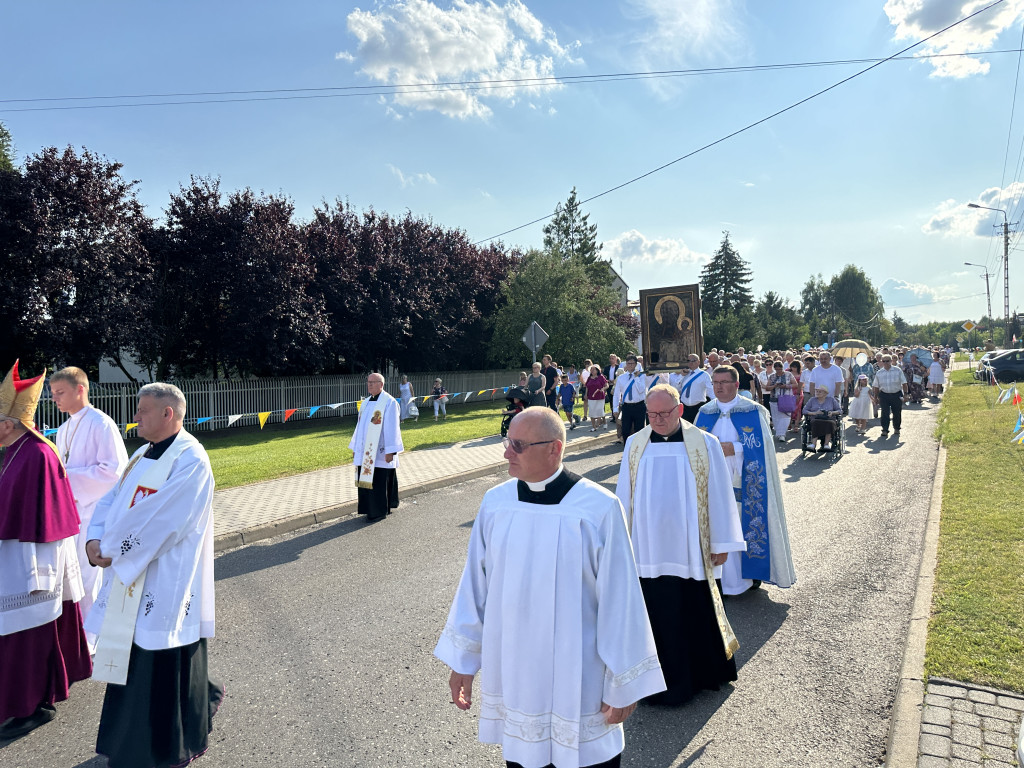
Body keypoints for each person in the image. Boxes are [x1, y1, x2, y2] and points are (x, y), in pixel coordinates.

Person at [436, 408, 666, 768]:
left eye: (518, 445)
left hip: (581, 677)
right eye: (507, 441)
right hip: (517, 672)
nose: (506, 452)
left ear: (554, 448)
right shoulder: (496, 503)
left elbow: (622, 600)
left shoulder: (598, 508)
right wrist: (463, 662)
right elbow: (475, 587)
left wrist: (624, 681)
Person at [85, 383, 223, 767]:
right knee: (133, 658)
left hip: (165, 579)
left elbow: (163, 521)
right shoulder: (143, 453)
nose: (135, 418)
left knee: (160, 658)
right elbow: (113, 498)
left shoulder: (190, 459)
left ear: (168, 414)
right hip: (130, 568)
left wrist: (110, 550)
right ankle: (129, 741)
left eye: (143, 411)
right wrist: (93, 539)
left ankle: (164, 746)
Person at [615, 384, 744, 705]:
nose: (657, 419)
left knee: (693, 608)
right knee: (655, 613)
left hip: (693, 548)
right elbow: (623, 498)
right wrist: (620, 542)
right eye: (652, 414)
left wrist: (723, 541)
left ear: (680, 411)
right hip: (647, 548)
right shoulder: (634, 445)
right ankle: (653, 681)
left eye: (664, 413)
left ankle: (702, 675)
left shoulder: (705, 444)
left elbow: (720, 494)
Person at [0, 361, 91, 739]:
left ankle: (33, 703)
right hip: (13, 553)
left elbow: (46, 518)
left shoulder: (38, 454)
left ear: (8, 423)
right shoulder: (11, 449)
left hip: (33, 560)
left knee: (27, 630)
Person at [696, 367, 795, 597]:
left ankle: (746, 578)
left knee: (741, 523)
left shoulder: (752, 410)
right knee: (716, 524)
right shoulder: (705, 412)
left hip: (743, 477)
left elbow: (763, 448)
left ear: (736, 383)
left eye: (723, 382)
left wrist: (734, 448)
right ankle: (717, 580)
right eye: (715, 382)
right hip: (712, 479)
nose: (718, 386)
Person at [50, 366, 129, 647]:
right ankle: (77, 635)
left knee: (88, 575)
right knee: (71, 574)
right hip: (72, 511)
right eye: (53, 393)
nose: (54, 399)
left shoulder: (101, 423)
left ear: (79, 389)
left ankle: (90, 638)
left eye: (60, 392)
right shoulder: (63, 428)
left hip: (94, 512)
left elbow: (113, 471)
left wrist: (65, 478)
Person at [348, 373, 404, 521]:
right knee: (366, 479)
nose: (370, 384)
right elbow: (359, 426)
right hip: (365, 451)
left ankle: (379, 510)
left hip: (380, 451)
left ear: (381, 384)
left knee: (379, 480)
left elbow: (393, 427)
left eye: (373, 382)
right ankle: (368, 508)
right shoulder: (365, 402)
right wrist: (355, 448)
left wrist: (390, 451)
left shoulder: (389, 402)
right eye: (368, 382)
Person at [612, 355, 648, 444]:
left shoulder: (641, 376)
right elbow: (616, 394)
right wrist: (615, 408)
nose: (630, 365)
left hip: (639, 405)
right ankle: (627, 451)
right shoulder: (621, 377)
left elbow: (641, 390)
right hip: (627, 406)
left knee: (639, 430)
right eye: (628, 363)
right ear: (626, 365)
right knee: (626, 430)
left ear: (636, 364)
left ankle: (639, 451)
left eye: (632, 363)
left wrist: (636, 378)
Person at [872, 355, 908, 438]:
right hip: (884, 395)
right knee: (884, 413)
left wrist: (905, 394)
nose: (885, 363)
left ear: (891, 361)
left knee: (897, 413)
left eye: (887, 361)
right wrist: (875, 397)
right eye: (883, 361)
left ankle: (897, 428)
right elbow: (876, 386)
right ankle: (884, 429)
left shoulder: (897, 370)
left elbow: (904, 383)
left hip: (896, 394)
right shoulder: (879, 373)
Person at [802, 385, 843, 452]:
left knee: (830, 423)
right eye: (816, 391)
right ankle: (813, 444)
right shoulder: (812, 400)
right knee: (815, 422)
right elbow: (804, 410)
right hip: (816, 418)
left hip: (829, 419)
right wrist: (814, 413)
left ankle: (826, 444)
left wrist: (832, 413)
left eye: (820, 392)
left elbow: (840, 411)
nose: (817, 393)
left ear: (825, 393)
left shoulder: (831, 400)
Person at [676, 354, 713, 423]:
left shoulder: (704, 375)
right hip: (684, 407)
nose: (690, 362)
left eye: (693, 360)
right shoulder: (684, 373)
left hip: (698, 406)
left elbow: (711, 391)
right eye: (688, 361)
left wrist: (715, 403)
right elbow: (677, 388)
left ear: (698, 362)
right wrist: (682, 376)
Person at [766, 360, 796, 442]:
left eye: (780, 369)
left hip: (786, 398)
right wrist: (775, 385)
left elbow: (795, 384)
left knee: (785, 416)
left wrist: (786, 386)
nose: (778, 371)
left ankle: (782, 434)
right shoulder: (772, 376)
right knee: (776, 417)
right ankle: (779, 433)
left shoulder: (789, 374)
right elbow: (767, 387)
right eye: (777, 369)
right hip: (774, 399)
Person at [585, 365, 609, 432]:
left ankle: (604, 421)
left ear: (597, 370)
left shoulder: (601, 377)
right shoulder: (589, 378)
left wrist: (603, 389)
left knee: (600, 411)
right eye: (591, 370)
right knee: (592, 411)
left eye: (593, 370)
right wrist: (586, 394)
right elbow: (587, 386)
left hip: (600, 397)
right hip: (591, 397)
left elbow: (607, 385)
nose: (592, 371)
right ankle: (594, 426)